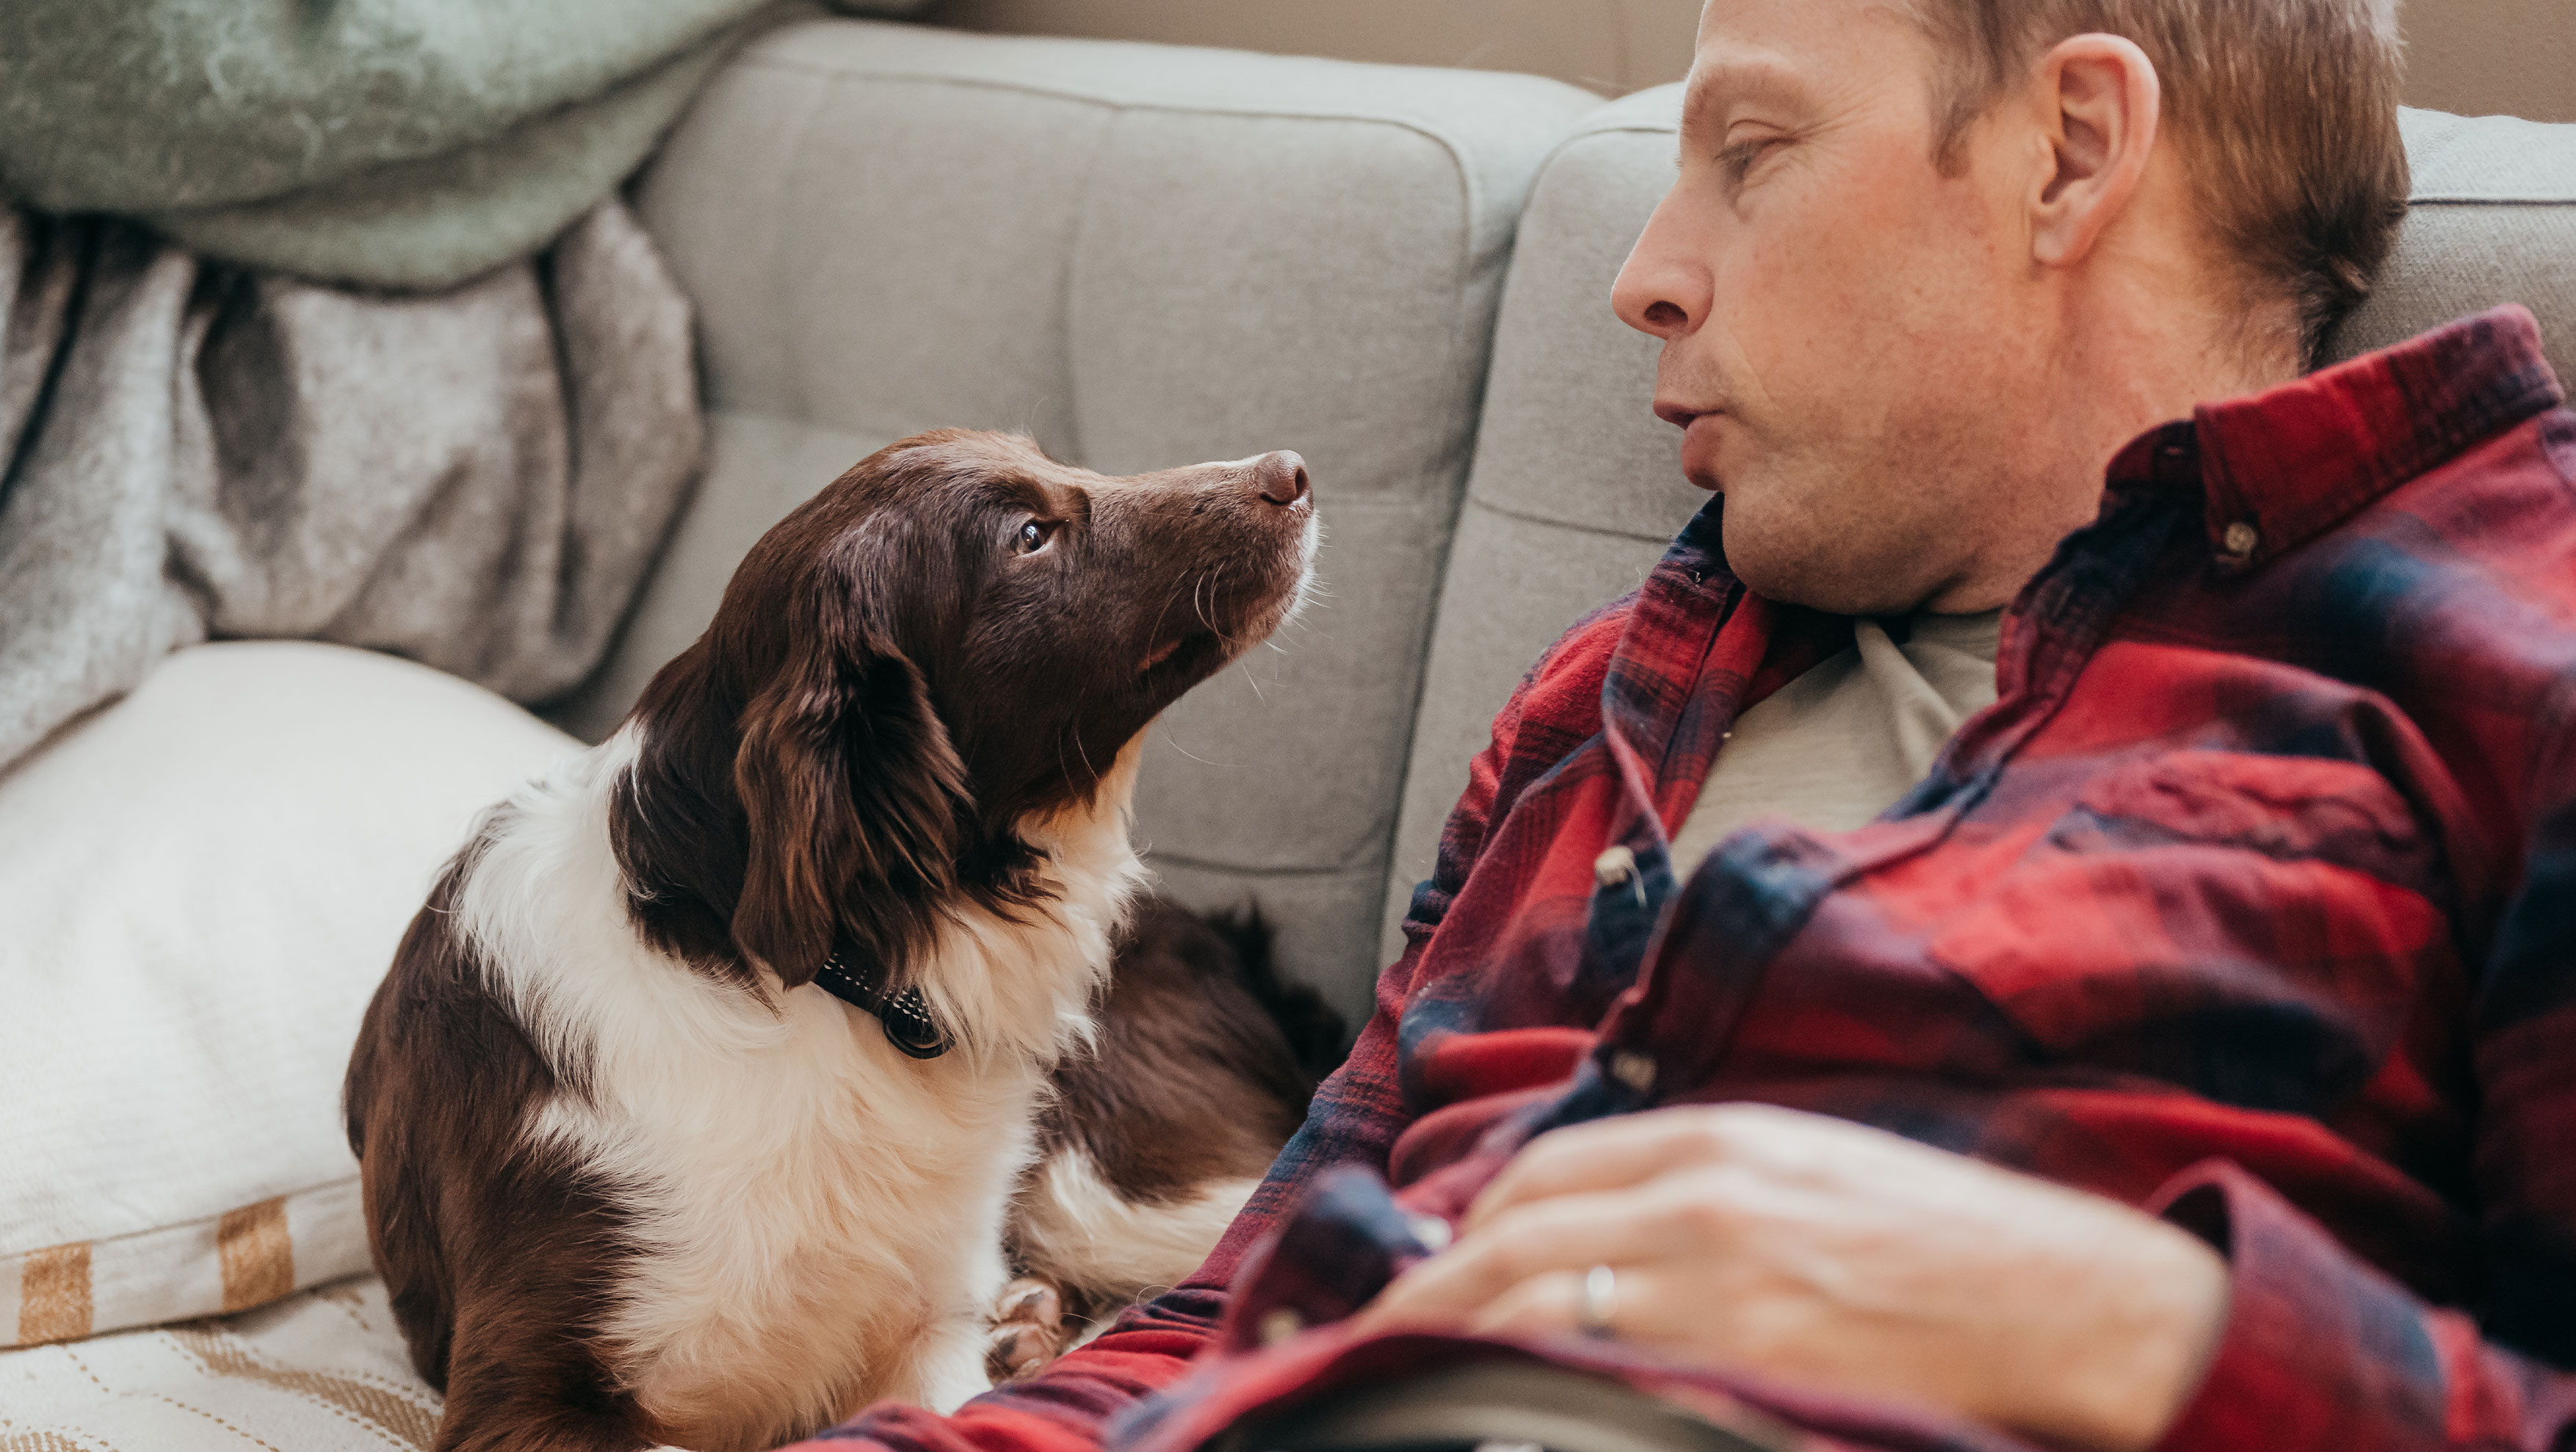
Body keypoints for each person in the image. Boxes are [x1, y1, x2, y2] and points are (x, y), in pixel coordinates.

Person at [795, 0, 2576, 1448]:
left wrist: (2134, 1325)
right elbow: (1209, 1329)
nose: (1643, 272)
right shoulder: (1601, 710)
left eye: (1750, 152)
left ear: (2074, 153)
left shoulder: (2507, 658)